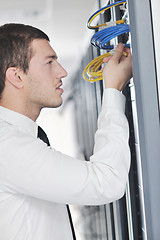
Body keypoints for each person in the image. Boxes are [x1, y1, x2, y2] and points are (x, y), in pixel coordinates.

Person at [0, 23, 132, 240]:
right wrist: (113, 90)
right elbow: (106, 182)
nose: (62, 72)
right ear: (17, 76)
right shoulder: (8, 146)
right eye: (49, 62)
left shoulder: (17, 139)